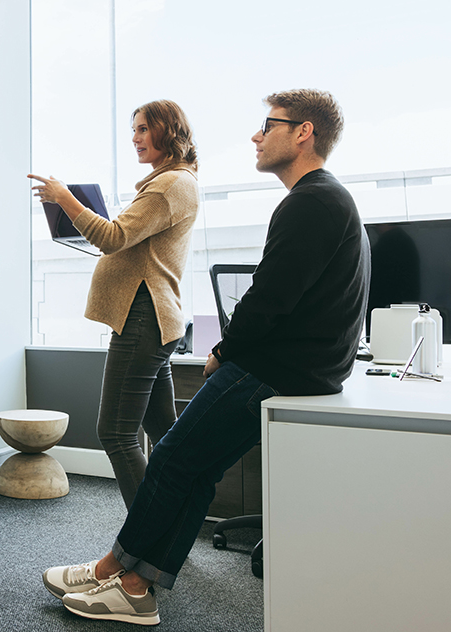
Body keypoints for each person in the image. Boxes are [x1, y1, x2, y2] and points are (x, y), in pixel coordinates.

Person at [41, 89, 370, 626]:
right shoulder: (324, 199)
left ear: (304, 132)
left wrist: (223, 350)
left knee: (169, 456)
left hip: (271, 367)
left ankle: (125, 579)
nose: (256, 135)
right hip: (293, 366)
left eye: (269, 125)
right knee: (188, 465)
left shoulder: (310, 201)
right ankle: (126, 574)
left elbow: (270, 297)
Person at [28, 100, 200, 509]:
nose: (136, 139)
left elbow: (112, 238)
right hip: (151, 320)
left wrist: (66, 200)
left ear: (167, 130)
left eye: (143, 129)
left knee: (116, 434)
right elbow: (129, 245)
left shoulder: (170, 185)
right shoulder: (170, 182)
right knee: (165, 435)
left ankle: (146, 540)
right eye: (134, 131)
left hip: (143, 319)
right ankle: (170, 528)